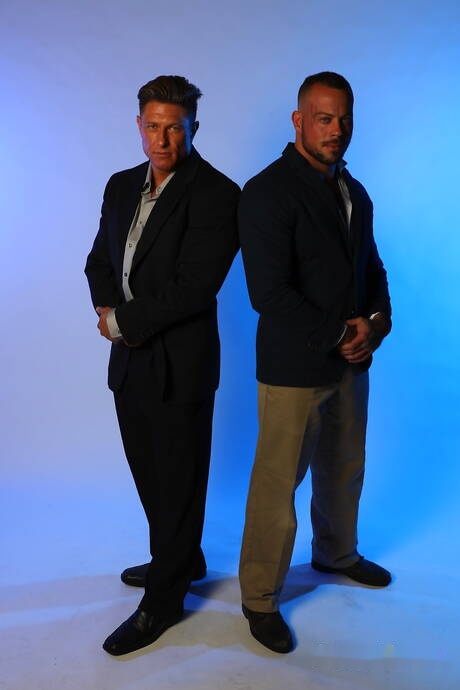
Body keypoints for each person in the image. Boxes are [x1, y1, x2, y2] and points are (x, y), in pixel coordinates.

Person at [238, 71, 392, 653]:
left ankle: (336, 554)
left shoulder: (355, 191)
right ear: (299, 120)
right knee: (277, 483)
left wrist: (375, 324)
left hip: (352, 362)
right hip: (293, 368)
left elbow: (372, 269)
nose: (336, 130)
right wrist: (341, 332)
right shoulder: (267, 192)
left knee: (344, 467)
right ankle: (259, 598)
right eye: (324, 118)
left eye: (344, 119)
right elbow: (268, 293)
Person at [85, 75, 239, 656]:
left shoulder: (219, 194)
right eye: (153, 126)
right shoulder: (121, 184)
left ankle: (164, 601)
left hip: (181, 363)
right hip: (129, 360)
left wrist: (121, 322)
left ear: (194, 128)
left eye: (175, 127)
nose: (163, 139)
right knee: (148, 472)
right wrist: (107, 309)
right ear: (139, 126)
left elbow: (193, 288)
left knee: (179, 480)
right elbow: (99, 259)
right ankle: (180, 557)